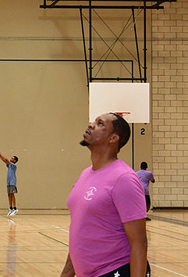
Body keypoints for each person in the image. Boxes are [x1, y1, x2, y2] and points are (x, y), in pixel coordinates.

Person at [61, 113, 148, 277]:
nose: (91, 124)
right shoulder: (85, 174)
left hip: (115, 270)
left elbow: (139, 243)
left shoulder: (124, 178)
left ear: (113, 138)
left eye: (100, 123)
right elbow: (80, 233)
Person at [0, 150, 18, 216]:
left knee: (12, 194)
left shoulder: (13, 166)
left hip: (13, 182)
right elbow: (4, 160)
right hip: (8, 182)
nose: (11, 158)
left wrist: (0, 153)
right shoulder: (9, 166)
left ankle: (15, 208)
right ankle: (11, 208)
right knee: (9, 194)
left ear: (15, 161)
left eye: (12, 158)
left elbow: (6, 160)